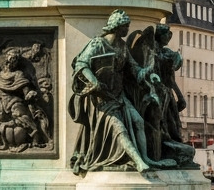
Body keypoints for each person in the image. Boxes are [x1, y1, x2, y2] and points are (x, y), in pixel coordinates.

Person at [68, 10, 171, 175]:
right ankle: (138, 162)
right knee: (119, 128)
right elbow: (81, 64)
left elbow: (134, 70)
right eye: (125, 26)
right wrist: (94, 81)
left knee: (138, 121)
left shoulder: (122, 46)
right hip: (102, 98)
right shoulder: (98, 44)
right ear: (117, 27)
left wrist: (149, 71)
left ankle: (146, 158)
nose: (127, 30)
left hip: (118, 95)